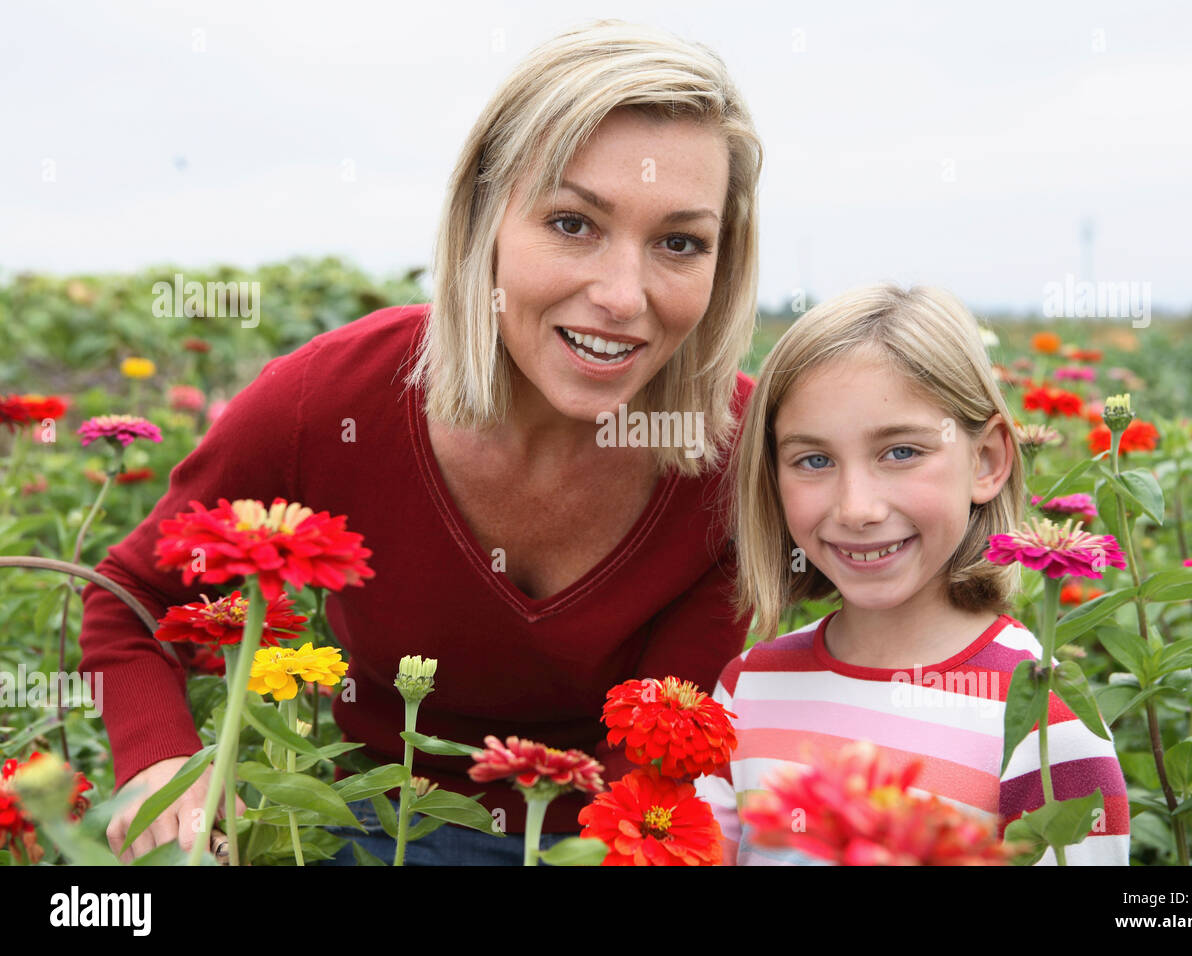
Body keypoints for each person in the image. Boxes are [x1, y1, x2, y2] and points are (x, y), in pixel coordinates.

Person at [79, 19, 764, 865]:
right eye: (574, 224)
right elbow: (132, 597)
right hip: (374, 822)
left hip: (608, 836)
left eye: (679, 243)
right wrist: (161, 765)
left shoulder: (745, 457)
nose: (623, 296)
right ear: (485, 217)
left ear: (723, 264)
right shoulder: (330, 398)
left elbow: (658, 747)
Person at [695, 284, 1131, 865]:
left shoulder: (1041, 719)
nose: (856, 507)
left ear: (987, 461)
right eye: (814, 460)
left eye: (900, 452)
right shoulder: (745, 690)